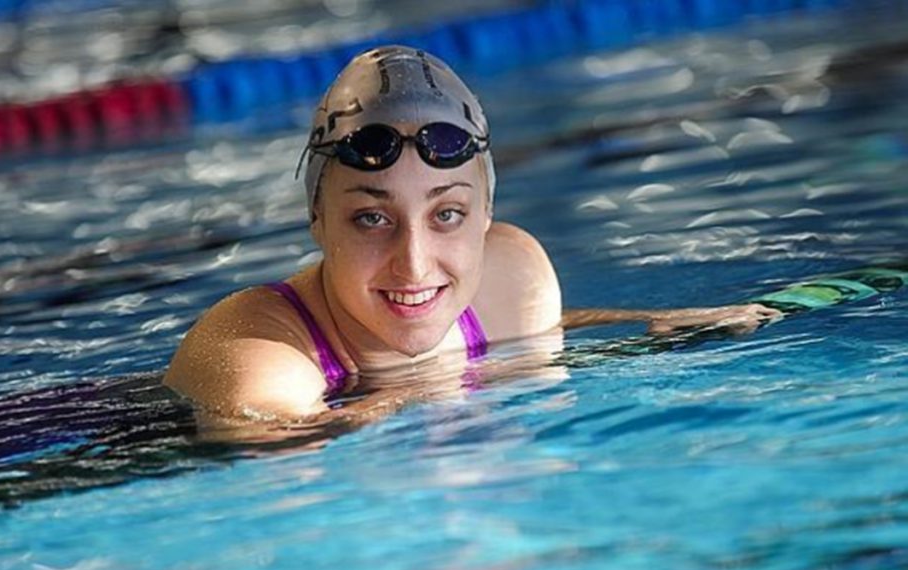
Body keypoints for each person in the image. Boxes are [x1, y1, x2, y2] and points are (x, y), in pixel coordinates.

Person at [164, 46, 781, 423]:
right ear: (317, 220)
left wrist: (644, 318)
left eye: (447, 215)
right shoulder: (254, 349)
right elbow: (287, 458)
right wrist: (427, 392)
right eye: (372, 217)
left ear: (486, 215)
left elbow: (518, 336)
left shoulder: (513, 273)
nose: (414, 264)